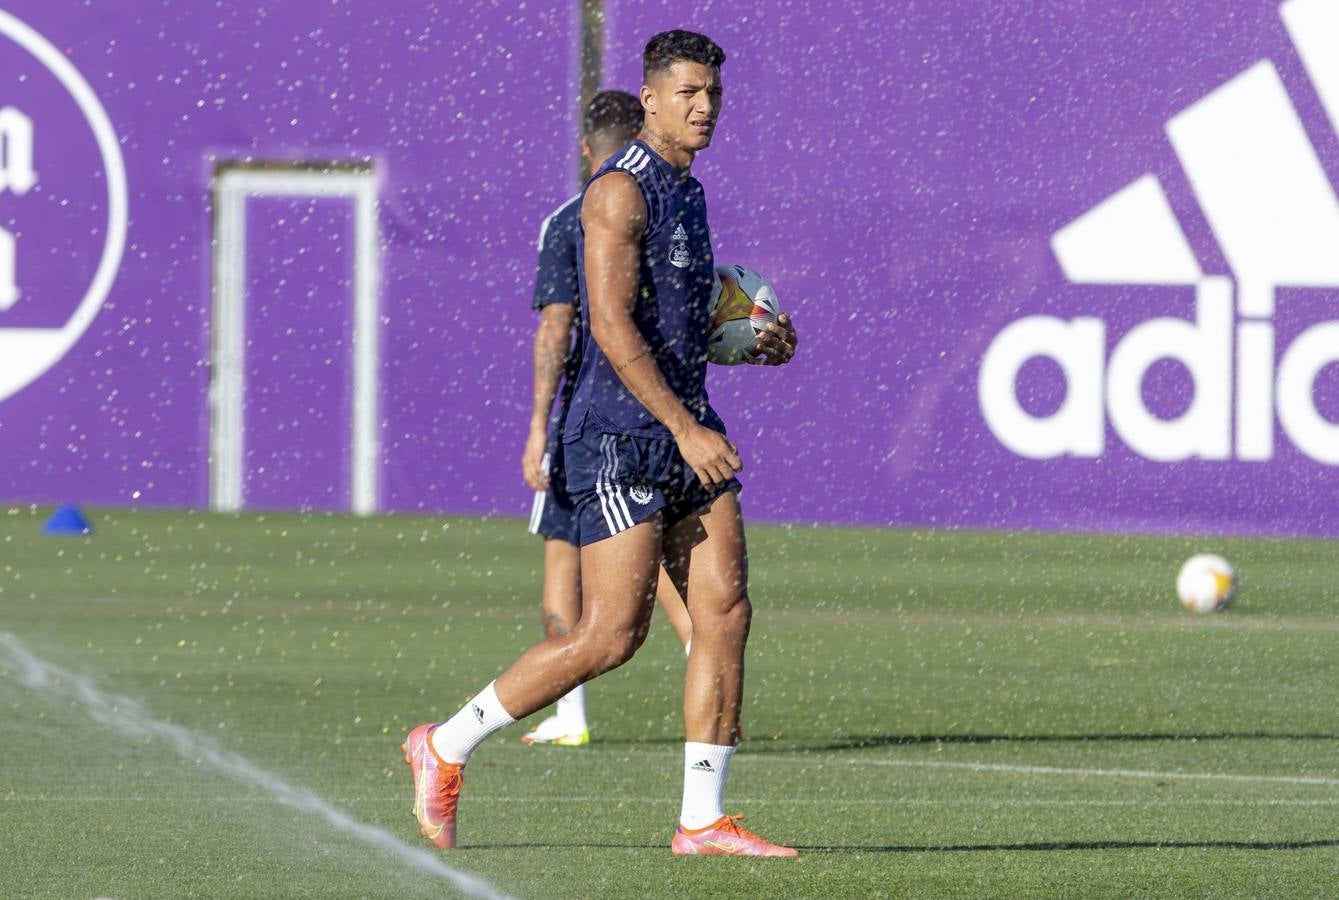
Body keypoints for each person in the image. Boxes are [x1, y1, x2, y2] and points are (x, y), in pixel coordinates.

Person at [404, 29, 799, 856]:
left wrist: (753, 337)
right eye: (687, 92)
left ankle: (700, 820)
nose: (703, 107)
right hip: (620, 436)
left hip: (687, 428)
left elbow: (687, 314)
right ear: (649, 99)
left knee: (724, 611)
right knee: (610, 637)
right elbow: (612, 327)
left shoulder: (689, 191)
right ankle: (443, 746)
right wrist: (685, 427)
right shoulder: (616, 195)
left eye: (713, 94)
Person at [521, 89, 694, 747]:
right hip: (663, 413)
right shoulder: (673, 200)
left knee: (565, 563)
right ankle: (703, 667)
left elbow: (556, 326)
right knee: (671, 566)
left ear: (589, 148)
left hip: (591, 422)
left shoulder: (576, 215)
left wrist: (539, 424)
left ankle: (568, 716)